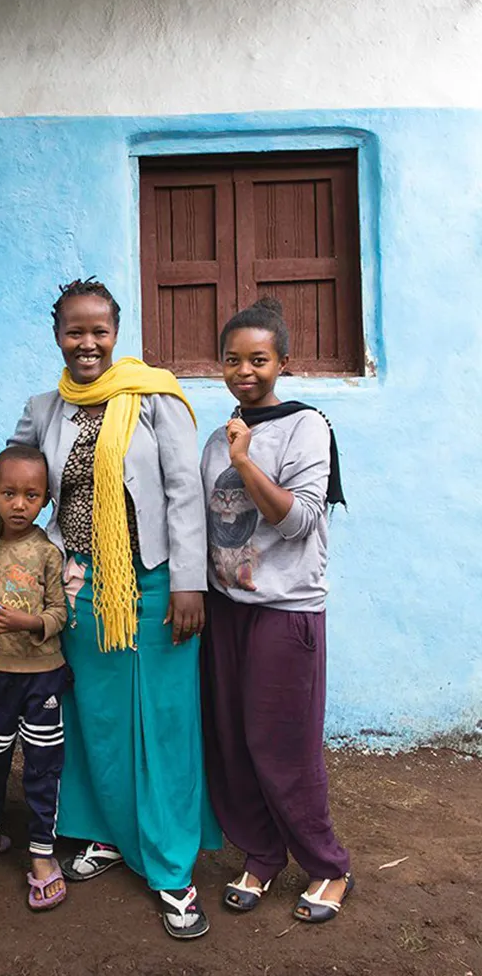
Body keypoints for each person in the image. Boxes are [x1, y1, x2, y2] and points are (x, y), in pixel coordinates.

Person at [0, 277, 219, 939]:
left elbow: (183, 492)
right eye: (74, 331)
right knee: (95, 717)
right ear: (57, 335)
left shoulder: (155, 400)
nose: (87, 343)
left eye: (98, 331)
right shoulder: (45, 407)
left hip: (154, 579)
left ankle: (170, 867)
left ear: (116, 333)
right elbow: (10, 478)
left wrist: (190, 582)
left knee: (161, 721)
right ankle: (105, 832)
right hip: (76, 583)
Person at [200, 297, 353, 923]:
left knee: (281, 743)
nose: (245, 370)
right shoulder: (216, 436)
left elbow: (298, 522)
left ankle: (327, 865)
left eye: (258, 359)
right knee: (233, 741)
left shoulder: (306, 427)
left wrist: (244, 460)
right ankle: (263, 854)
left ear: (282, 362)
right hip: (225, 610)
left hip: (286, 611)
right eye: (233, 360)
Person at [0, 446, 69, 910]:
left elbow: (61, 613)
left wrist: (29, 623)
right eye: (8, 493)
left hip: (42, 678)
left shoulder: (47, 553)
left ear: (45, 499)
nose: (19, 504)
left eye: (30, 495)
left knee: (42, 767)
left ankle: (42, 853)